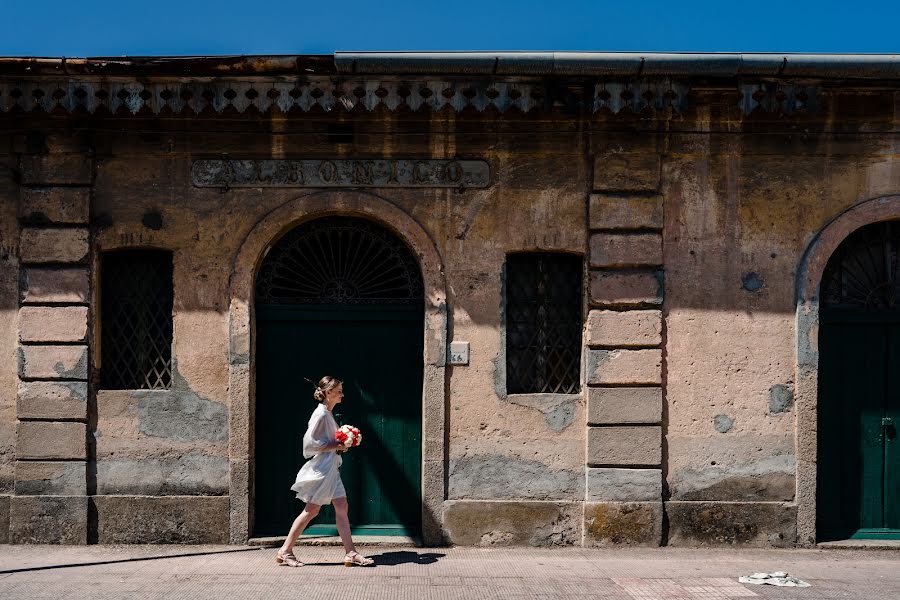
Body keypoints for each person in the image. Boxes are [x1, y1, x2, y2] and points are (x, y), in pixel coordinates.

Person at [275, 375, 375, 568]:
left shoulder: (327, 413)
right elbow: (310, 444)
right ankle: (285, 551)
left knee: (341, 506)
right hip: (323, 470)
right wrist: (337, 444)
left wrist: (340, 444)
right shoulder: (320, 414)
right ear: (328, 393)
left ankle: (351, 553)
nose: (342, 395)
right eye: (338, 392)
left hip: (331, 468)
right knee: (311, 510)